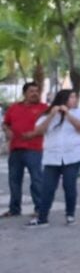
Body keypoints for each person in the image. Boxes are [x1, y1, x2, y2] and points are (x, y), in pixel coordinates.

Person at [26, 89, 80, 228]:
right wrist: (52, 115)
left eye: (75, 97)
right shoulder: (48, 113)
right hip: (52, 157)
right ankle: (42, 218)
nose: (74, 100)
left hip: (72, 155)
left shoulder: (78, 112)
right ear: (64, 99)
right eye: (71, 97)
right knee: (47, 188)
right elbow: (39, 131)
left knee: (69, 186)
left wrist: (67, 114)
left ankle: (70, 214)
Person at [2, 82, 48, 219]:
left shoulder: (44, 108)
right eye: (31, 91)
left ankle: (40, 209)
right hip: (15, 149)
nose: (35, 94)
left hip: (34, 149)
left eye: (36, 91)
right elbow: (5, 123)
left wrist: (35, 133)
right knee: (14, 181)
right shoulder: (14, 107)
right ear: (25, 93)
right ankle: (14, 209)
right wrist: (7, 130)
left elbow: (48, 125)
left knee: (36, 180)